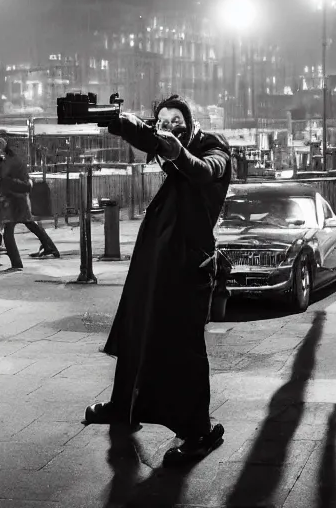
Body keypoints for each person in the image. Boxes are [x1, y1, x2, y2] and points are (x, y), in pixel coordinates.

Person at [84, 95, 231, 467]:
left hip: (187, 265)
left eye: (176, 118)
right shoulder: (164, 145)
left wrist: (175, 149)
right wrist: (118, 121)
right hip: (155, 261)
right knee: (135, 331)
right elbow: (151, 139)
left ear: (190, 120)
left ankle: (198, 431)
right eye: (163, 119)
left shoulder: (212, 146)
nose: (169, 124)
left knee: (185, 349)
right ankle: (124, 407)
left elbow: (203, 170)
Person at [0, 131, 60, 271]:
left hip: (13, 198)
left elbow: (3, 176)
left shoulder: (8, 159)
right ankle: (50, 248)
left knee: (8, 230)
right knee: (29, 223)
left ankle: (16, 263)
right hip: (19, 196)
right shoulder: (13, 157)